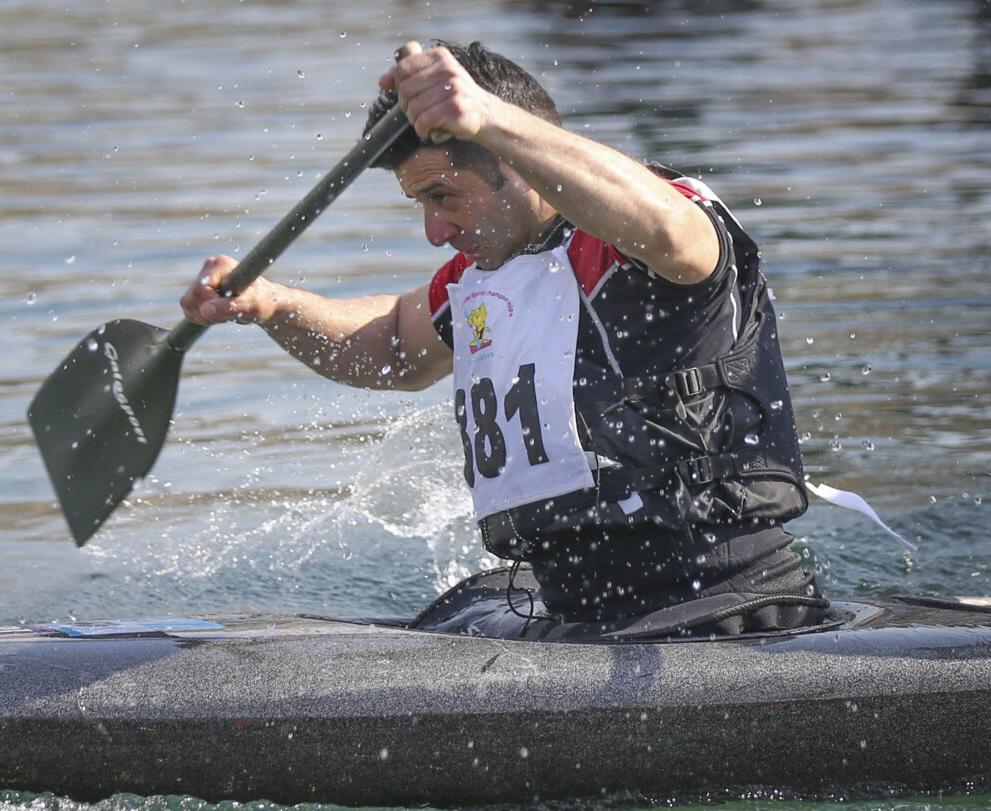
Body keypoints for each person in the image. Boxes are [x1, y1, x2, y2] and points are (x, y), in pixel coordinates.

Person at [181, 41, 822, 632]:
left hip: (732, 610)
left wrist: (486, 118)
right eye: (421, 205)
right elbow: (394, 348)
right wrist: (269, 304)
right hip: (577, 612)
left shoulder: (637, 239)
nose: (435, 230)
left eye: (444, 197)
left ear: (514, 166)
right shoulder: (482, 278)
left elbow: (668, 228)